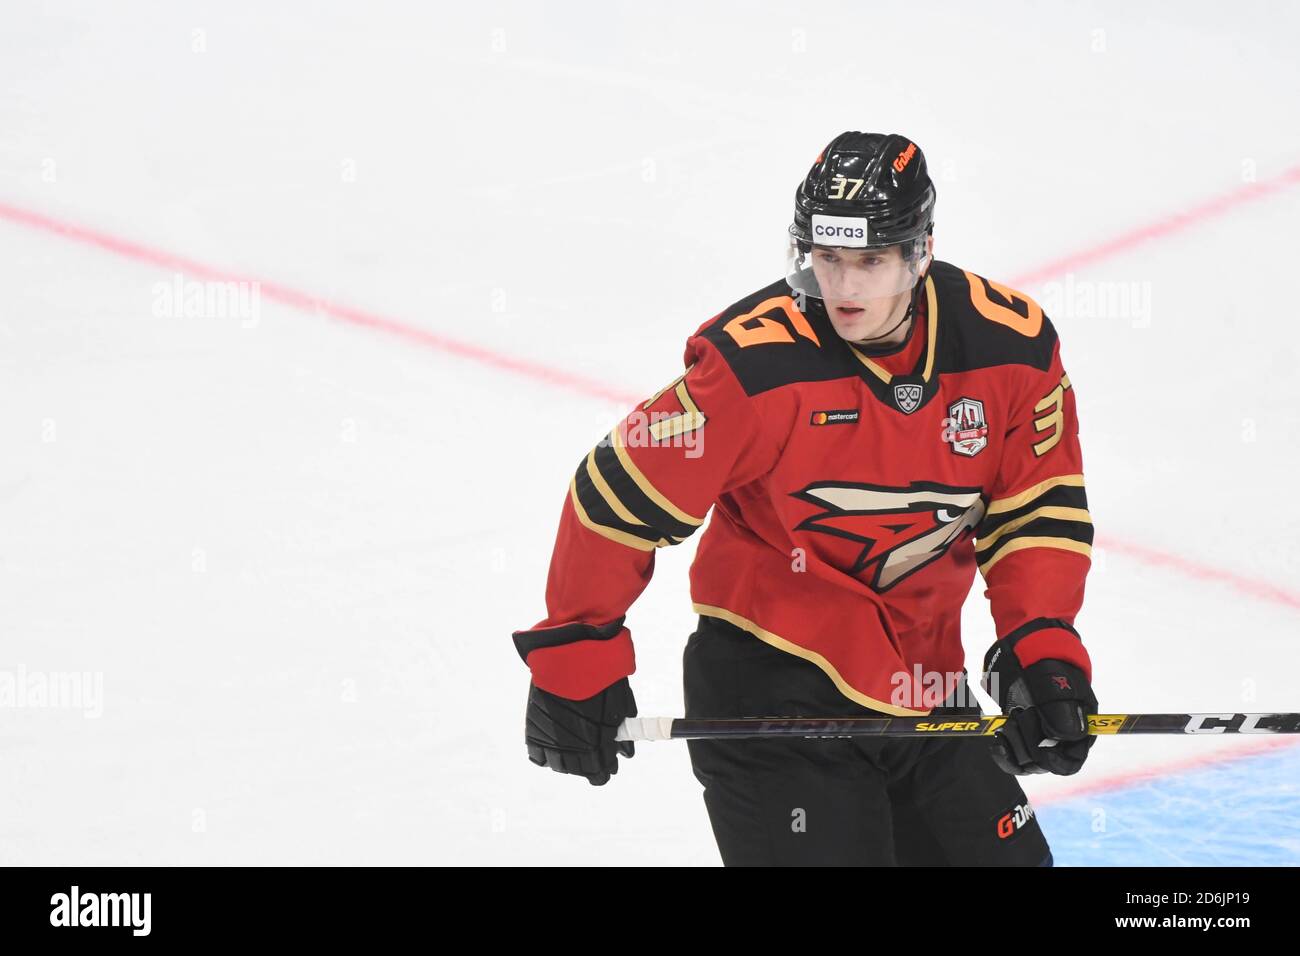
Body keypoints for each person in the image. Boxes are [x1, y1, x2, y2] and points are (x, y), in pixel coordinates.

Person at [512, 131, 1097, 866]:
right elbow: (614, 499)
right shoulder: (752, 367)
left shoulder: (1010, 347)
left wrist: (1040, 647)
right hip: (772, 692)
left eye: (870, 262)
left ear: (920, 251)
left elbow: (1035, 510)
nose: (844, 289)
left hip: (926, 681)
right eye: (828, 260)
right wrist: (577, 651)